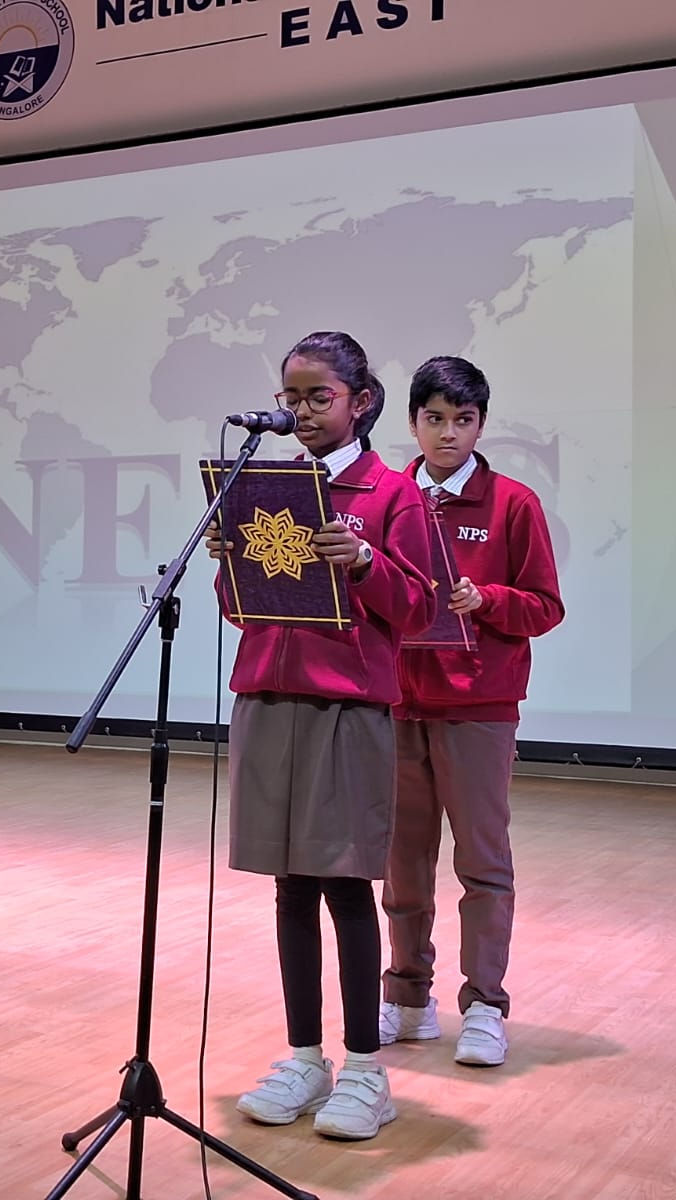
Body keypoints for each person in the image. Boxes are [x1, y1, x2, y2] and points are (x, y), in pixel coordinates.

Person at [208, 331, 434, 1140]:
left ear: (360, 401)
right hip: (270, 696)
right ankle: (306, 1058)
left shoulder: (391, 494)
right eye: (291, 398)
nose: (301, 412)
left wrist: (367, 564)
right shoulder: (264, 488)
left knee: (344, 884)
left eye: (319, 397)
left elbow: (421, 611)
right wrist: (230, 560)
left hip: (348, 708)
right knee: (290, 886)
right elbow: (242, 611)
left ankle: (367, 1069)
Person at [380, 356, 564, 1066]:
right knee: (402, 863)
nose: (448, 434)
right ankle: (407, 997)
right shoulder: (390, 497)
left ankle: (485, 1004)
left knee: (483, 862)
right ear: (412, 423)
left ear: (482, 424)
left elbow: (545, 606)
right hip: (398, 703)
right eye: (434, 419)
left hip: (480, 707)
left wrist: (487, 600)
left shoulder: (513, 503)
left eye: (462, 420)